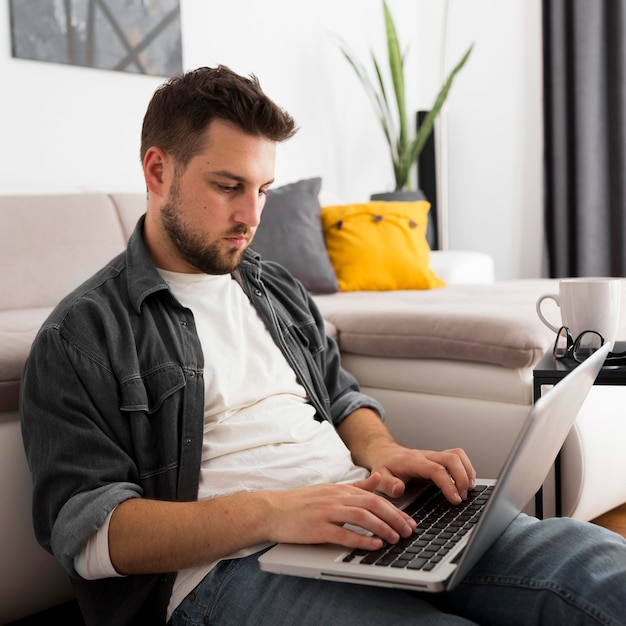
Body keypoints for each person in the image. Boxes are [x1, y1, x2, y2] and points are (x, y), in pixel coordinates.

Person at [20, 65, 626, 626]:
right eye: (229, 186)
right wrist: (278, 512)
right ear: (157, 171)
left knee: (598, 566)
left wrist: (384, 451)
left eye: (263, 189)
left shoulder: (273, 286)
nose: (251, 215)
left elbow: (339, 396)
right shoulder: (83, 334)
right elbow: (92, 538)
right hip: (223, 572)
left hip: (363, 514)